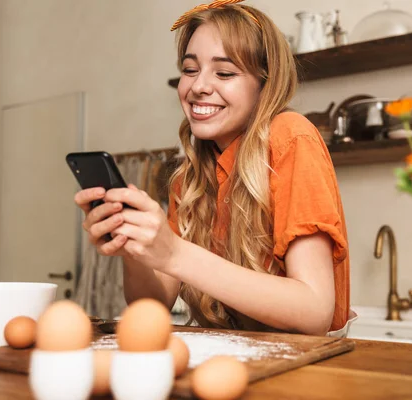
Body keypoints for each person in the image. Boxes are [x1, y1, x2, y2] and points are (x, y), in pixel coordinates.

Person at [75, 0, 350, 336]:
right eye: (190, 70)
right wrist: (136, 245)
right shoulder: (190, 177)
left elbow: (314, 310)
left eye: (224, 73)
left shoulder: (291, 136)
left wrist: (175, 253)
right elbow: (153, 302)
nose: (198, 86)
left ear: (264, 86)